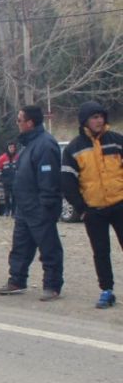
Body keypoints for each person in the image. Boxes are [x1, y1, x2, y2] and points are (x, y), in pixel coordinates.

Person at [0, 106, 64, 300]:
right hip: (24, 207)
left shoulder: (45, 144)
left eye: (19, 120)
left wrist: (46, 205)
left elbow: (48, 179)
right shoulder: (28, 145)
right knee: (20, 246)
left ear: (29, 123)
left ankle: (52, 285)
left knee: (49, 248)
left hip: (39, 207)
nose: (17, 123)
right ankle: (17, 280)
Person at [62, 101, 123, 308]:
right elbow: (67, 183)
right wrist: (82, 209)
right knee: (101, 251)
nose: (99, 120)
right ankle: (106, 290)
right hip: (93, 209)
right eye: (94, 117)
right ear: (85, 121)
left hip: (120, 204)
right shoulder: (73, 148)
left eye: (101, 116)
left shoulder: (116, 141)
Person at [0, 142, 19, 216]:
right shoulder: (2, 158)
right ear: (8, 148)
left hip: (16, 181)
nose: (12, 149)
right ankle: (7, 210)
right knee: (7, 196)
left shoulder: (18, 157)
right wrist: (1, 179)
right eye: (10, 147)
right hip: (6, 181)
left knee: (15, 196)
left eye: (13, 147)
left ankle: (14, 212)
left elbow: (21, 168)